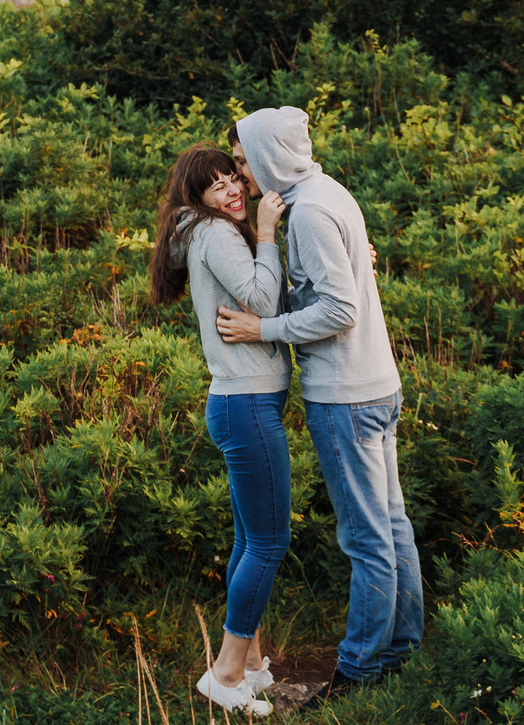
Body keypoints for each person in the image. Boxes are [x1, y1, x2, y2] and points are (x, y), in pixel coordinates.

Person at [216, 106, 421, 699]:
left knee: (366, 539)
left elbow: (338, 311)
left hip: (346, 397)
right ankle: (402, 649)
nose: (242, 174)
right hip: (378, 383)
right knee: (392, 527)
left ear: (269, 155)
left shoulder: (308, 211)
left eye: (245, 160)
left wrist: (264, 330)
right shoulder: (331, 192)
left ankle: (357, 672)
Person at [149, 141, 288, 716]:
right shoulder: (217, 234)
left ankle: (251, 664)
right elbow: (261, 295)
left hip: (240, 403)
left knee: (248, 540)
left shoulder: (202, 232)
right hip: (246, 405)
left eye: (233, 178)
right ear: (198, 198)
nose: (232, 191)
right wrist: (265, 234)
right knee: (269, 542)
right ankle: (225, 674)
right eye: (217, 187)